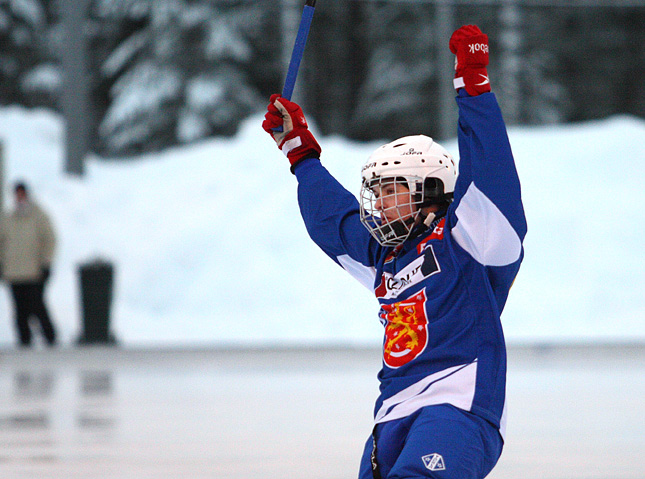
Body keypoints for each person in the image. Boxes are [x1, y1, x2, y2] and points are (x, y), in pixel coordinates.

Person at [263, 24, 526, 479]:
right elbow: (334, 221)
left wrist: (474, 87)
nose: (379, 203)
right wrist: (300, 154)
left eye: (391, 190)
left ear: (429, 189)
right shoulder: (386, 256)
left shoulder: (469, 240)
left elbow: (492, 176)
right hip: (391, 416)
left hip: (456, 407)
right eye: (377, 191)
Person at [0, 181, 57, 347]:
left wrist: (46, 262)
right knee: (19, 309)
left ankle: (50, 336)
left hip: (33, 271)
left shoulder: (38, 216)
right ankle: (24, 339)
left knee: (37, 305)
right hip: (14, 272)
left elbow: (50, 240)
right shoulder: (9, 217)